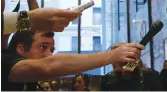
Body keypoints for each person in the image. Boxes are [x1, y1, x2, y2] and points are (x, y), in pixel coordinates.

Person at [2, 30, 144, 91]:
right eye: (42, 47)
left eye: (51, 50)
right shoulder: (5, 65)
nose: (48, 55)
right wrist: (112, 55)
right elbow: (48, 66)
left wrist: (125, 67)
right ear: (20, 49)